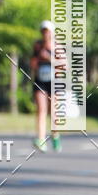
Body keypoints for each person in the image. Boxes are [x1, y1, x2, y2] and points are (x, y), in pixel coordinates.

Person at [30, 20, 62, 152]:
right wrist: (36, 63)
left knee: (53, 113)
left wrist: (49, 58)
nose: (45, 34)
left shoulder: (58, 47)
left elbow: (64, 65)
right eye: (43, 31)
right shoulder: (37, 46)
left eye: (47, 31)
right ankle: (41, 139)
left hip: (54, 82)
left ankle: (55, 136)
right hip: (40, 80)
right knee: (41, 110)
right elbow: (32, 63)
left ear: (52, 33)